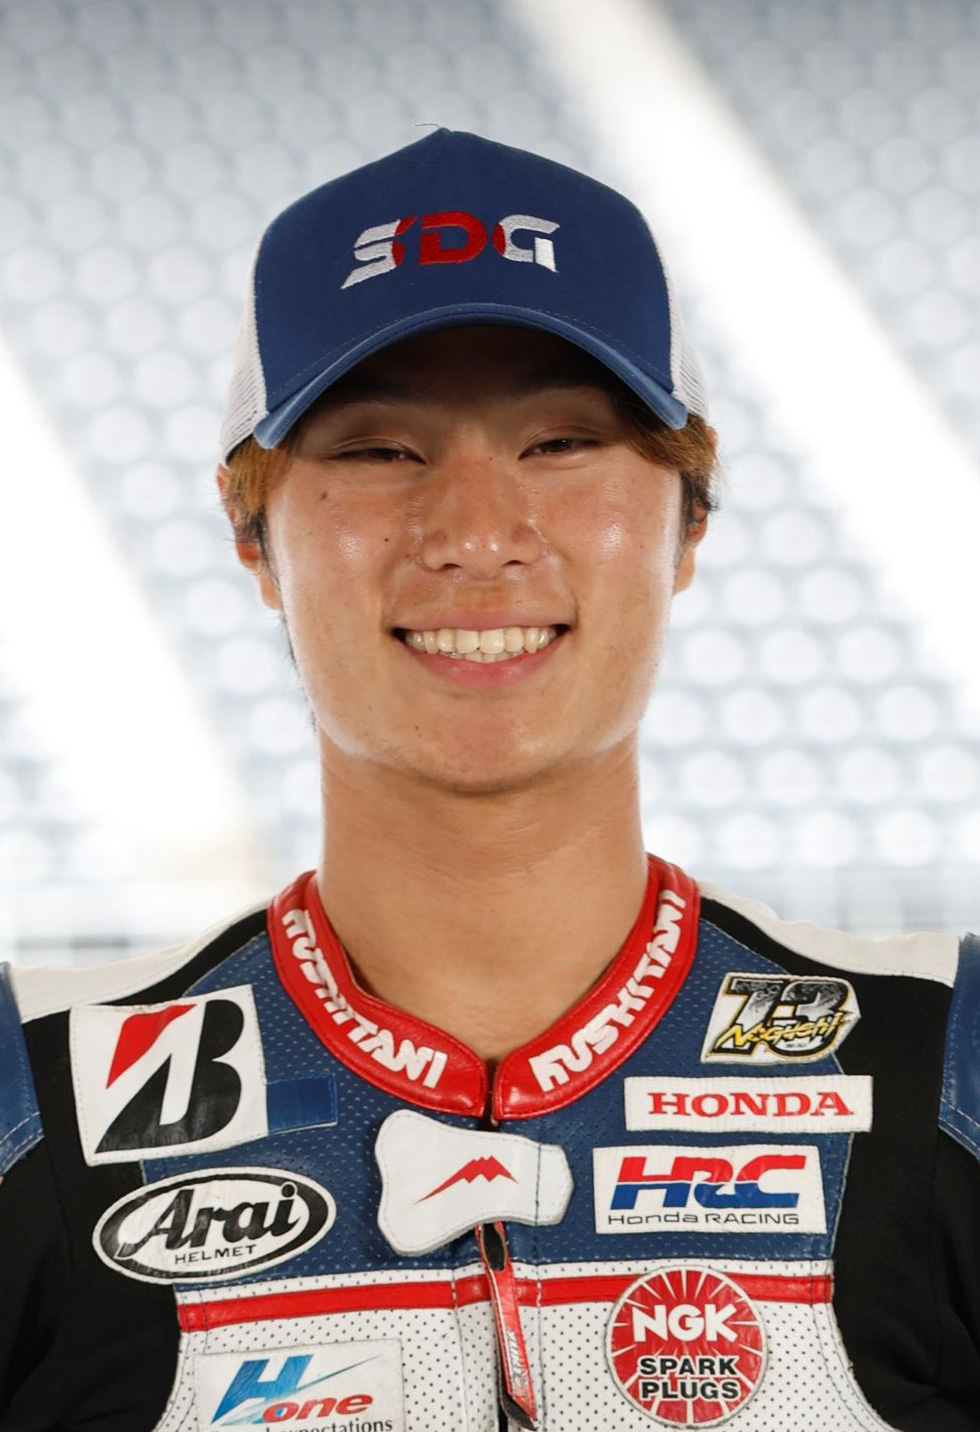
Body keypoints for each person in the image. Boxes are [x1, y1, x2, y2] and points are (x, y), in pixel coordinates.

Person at [0, 129, 977, 1432]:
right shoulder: (32, 1098)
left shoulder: (944, 1060)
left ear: (690, 520)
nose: (473, 536)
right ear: (251, 535)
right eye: (379, 451)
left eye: (562, 441)